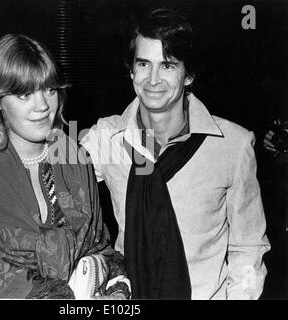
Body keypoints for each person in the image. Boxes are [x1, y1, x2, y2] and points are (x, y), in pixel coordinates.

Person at [80, 8, 270, 299]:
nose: (153, 79)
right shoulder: (106, 138)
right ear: (131, 70)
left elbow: (248, 247)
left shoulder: (233, 145)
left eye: (168, 65)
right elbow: (46, 173)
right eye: (143, 64)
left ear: (189, 75)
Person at [0, 34, 130, 299]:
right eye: (24, 94)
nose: (42, 106)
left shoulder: (73, 158)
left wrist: (114, 290)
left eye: (49, 89)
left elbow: (100, 249)